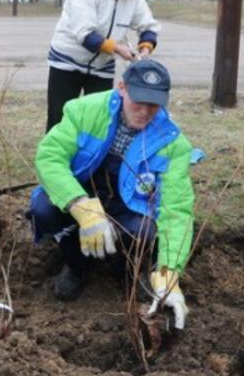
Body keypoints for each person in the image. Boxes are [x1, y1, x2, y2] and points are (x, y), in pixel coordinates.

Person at [29, 60, 194, 329]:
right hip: (84, 191)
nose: (144, 112)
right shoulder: (84, 111)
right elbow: (49, 158)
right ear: (121, 88)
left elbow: (176, 211)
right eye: (137, 102)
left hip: (127, 206)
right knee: (43, 209)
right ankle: (77, 264)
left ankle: (127, 269)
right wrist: (81, 205)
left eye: (153, 105)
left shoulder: (172, 142)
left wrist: (168, 273)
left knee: (144, 230)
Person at [45, 0, 160, 131]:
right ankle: (52, 157)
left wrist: (145, 49)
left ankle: (92, 158)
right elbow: (86, 36)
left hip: (102, 66)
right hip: (67, 62)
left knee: (99, 118)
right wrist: (119, 49)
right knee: (60, 115)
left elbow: (148, 26)